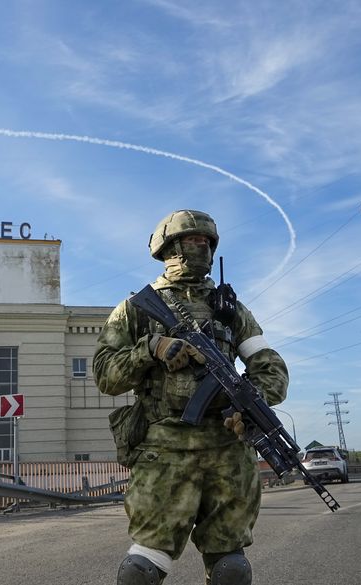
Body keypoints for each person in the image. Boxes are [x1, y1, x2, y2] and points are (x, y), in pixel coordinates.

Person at [93, 210, 289, 585]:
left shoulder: (230, 309)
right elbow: (105, 374)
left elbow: (270, 367)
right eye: (193, 240)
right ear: (170, 248)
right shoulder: (135, 309)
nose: (202, 247)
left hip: (227, 450)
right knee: (142, 570)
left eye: (207, 242)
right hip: (164, 448)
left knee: (231, 569)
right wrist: (149, 349)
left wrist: (252, 403)